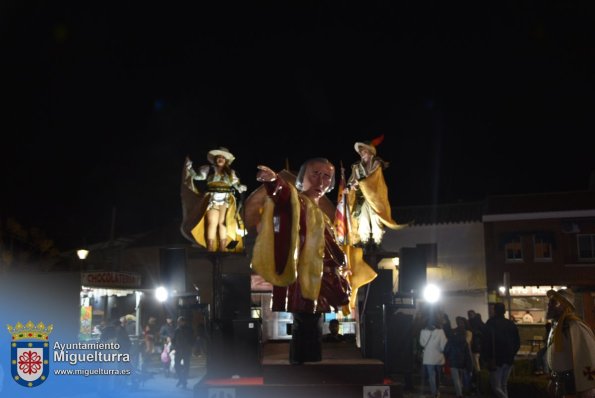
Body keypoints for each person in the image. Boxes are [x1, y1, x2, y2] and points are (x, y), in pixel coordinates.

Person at [252, 158, 351, 364]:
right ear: (302, 177)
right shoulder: (298, 203)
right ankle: (303, 372)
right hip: (304, 280)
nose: (321, 181)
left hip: (320, 281)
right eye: (315, 174)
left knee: (314, 325)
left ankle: (310, 371)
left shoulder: (321, 214)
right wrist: (273, 182)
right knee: (305, 324)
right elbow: (283, 196)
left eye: (327, 176)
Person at [182, 147, 247, 252]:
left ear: (226, 160)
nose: (220, 159)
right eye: (218, 157)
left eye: (223, 157)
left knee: (223, 223)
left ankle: (222, 248)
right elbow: (198, 177)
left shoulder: (231, 173)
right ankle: (210, 248)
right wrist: (189, 168)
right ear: (215, 159)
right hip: (212, 198)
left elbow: (236, 184)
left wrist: (240, 187)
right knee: (212, 223)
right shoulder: (208, 169)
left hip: (225, 199)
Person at [347, 135, 401, 246]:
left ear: (371, 152)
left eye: (364, 151)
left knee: (375, 215)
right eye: (361, 152)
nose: (362, 153)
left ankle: (377, 241)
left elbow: (372, 178)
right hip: (361, 197)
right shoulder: (356, 167)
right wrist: (349, 186)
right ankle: (365, 241)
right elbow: (352, 180)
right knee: (363, 217)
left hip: (374, 196)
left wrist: (360, 182)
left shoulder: (376, 164)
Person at [545, 288, 595, 397]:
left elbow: (588, 356)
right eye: (549, 302)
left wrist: (588, 386)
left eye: (553, 303)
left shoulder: (575, 326)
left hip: (573, 385)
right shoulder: (556, 327)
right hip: (559, 383)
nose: (548, 305)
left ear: (564, 305)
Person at [480, 302, 520, 398]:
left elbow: (485, 342)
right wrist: (512, 353)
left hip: (496, 359)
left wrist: (485, 357)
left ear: (495, 310)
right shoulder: (511, 324)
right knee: (503, 385)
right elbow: (517, 342)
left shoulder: (490, 323)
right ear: (504, 311)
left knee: (496, 386)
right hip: (509, 359)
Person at [444, 316, 474, 398]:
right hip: (463, 359)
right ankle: (464, 390)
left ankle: (459, 393)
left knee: (456, 378)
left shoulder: (452, 336)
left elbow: (447, 348)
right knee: (462, 377)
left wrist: (447, 356)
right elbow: (468, 350)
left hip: (453, 359)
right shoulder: (467, 337)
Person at [419, 316, 448, 398]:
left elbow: (421, 343)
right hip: (438, 356)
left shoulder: (423, 331)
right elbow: (443, 345)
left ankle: (434, 392)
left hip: (428, 357)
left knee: (431, 375)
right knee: (438, 374)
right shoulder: (441, 332)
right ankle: (438, 391)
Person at [172, 316, 194, 388]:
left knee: (186, 366)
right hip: (178, 350)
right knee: (176, 365)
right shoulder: (177, 330)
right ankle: (181, 379)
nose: (179, 323)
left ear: (184, 322)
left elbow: (192, 339)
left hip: (186, 350)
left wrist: (190, 346)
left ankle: (184, 381)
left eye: (181, 322)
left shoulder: (189, 330)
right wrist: (175, 347)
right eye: (179, 322)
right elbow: (173, 340)